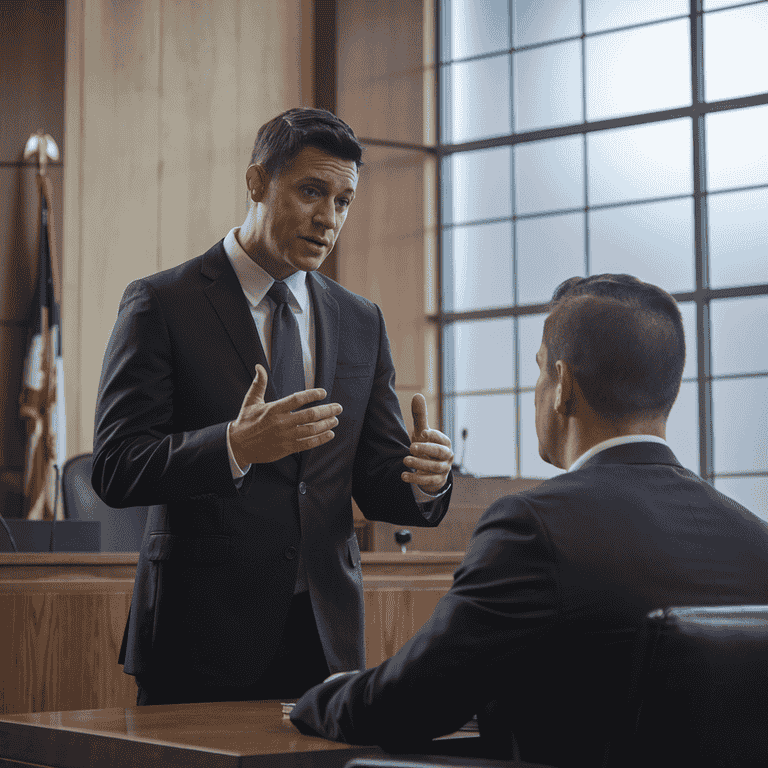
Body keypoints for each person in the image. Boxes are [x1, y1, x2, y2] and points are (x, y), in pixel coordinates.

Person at [290, 274, 768, 767]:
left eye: (540, 371)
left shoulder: (535, 527)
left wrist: (320, 695)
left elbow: (405, 706)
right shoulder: (756, 541)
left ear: (562, 386)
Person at [91, 108, 454, 706]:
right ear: (257, 184)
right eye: (312, 191)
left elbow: (374, 480)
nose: (328, 218)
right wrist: (234, 446)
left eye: (343, 201)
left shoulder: (360, 320)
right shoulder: (162, 303)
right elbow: (115, 466)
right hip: (199, 637)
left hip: (325, 636)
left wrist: (423, 480)